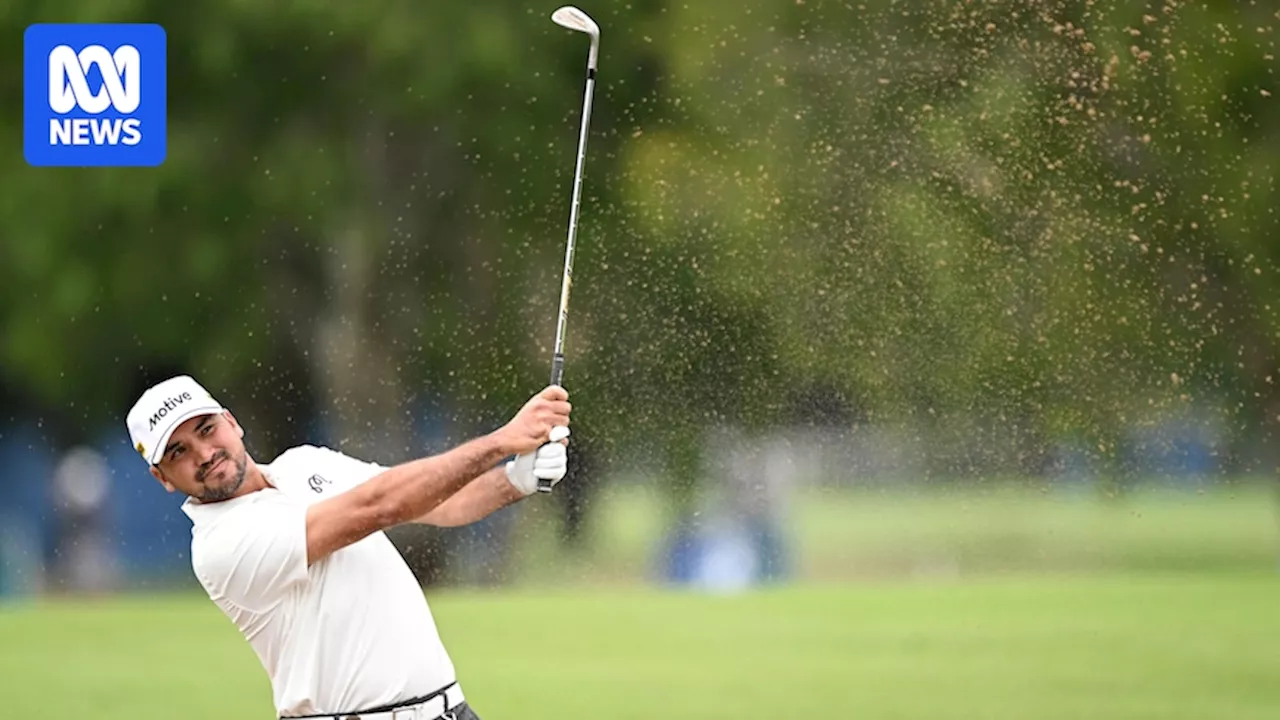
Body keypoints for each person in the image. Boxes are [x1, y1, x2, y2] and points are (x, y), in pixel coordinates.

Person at [125, 374, 573, 720]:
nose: (204, 454)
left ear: (232, 422)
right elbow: (381, 505)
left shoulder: (305, 463)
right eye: (178, 452)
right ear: (162, 478)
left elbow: (439, 503)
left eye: (207, 430)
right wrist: (500, 441)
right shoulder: (220, 546)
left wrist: (518, 478)